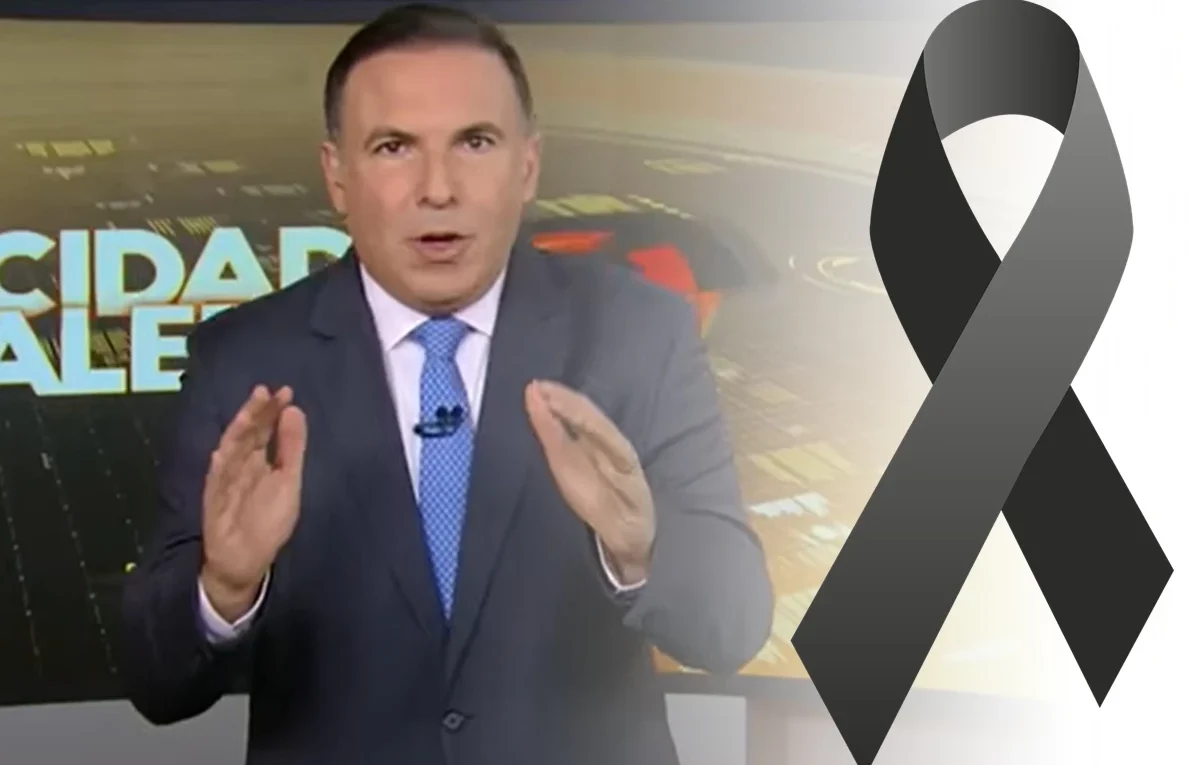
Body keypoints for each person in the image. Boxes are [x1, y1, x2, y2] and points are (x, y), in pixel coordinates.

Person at [118, 3, 773, 764]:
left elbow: (734, 627)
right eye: (394, 146)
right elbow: (156, 683)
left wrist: (641, 551)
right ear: (337, 174)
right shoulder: (244, 361)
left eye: (475, 142)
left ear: (527, 166)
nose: (438, 188)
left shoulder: (640, 333)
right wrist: (224, 588)